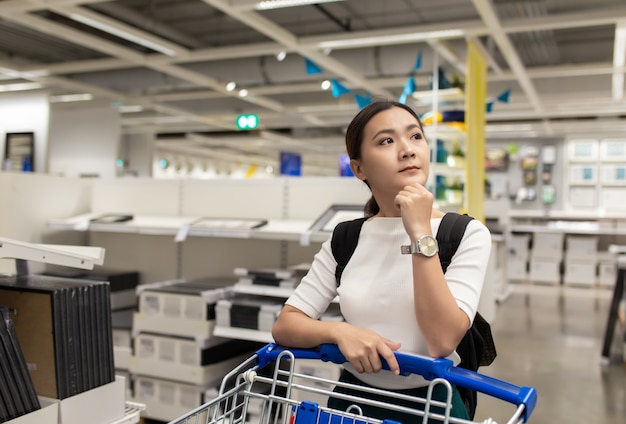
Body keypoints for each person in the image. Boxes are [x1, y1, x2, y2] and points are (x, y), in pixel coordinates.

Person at [271, 100, 492, 421]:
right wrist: (339, 333)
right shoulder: (346, 237)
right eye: (386, 141)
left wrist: (419, 231)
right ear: (358, 168)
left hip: (431, 405)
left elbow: (442, 341)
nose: (407, 150)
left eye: (415, 136)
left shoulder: (464, 234)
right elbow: (286, 325)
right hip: (352, 401)